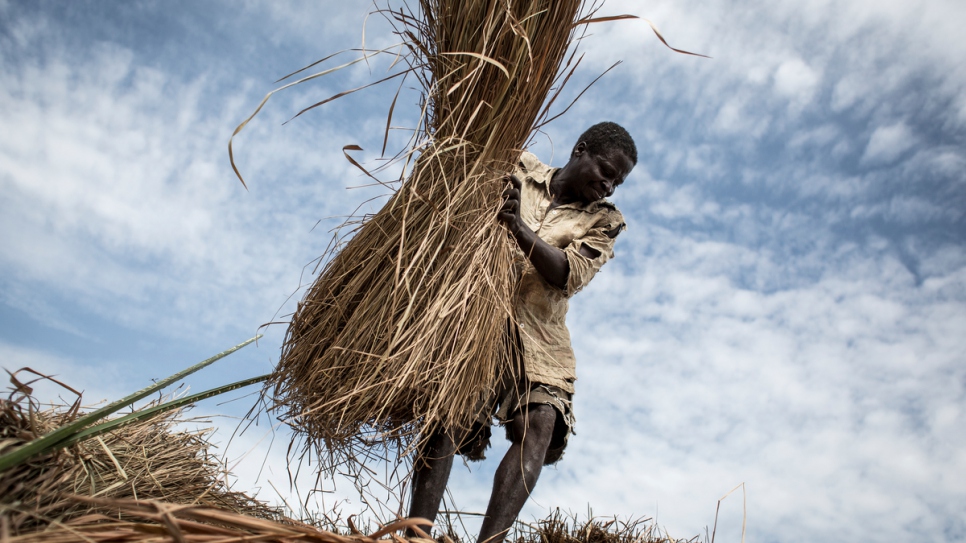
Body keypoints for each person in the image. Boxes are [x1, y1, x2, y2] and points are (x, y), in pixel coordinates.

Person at [407, 122, 638, 543]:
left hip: (541, 340)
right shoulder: (518, 166)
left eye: (617, 182)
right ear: (580, 149)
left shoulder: (605, 221)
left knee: (541, 424)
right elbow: (459, 179)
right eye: (605, 170)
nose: (608, 186)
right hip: (479, 323)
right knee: (446, 415)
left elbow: (568, 274)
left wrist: (518, 228)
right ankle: (415, 536)